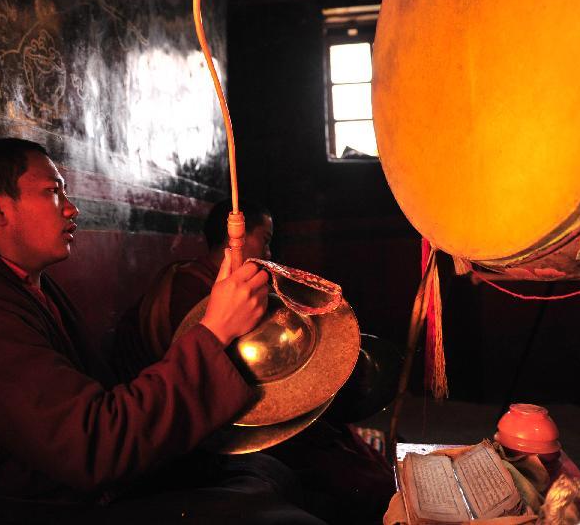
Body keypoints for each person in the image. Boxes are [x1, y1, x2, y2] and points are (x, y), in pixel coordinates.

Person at [0, 138, 326, 524]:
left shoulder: (26, 288)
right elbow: (93, 446)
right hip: (31, 509)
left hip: (79, 486)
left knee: (260, 472)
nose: (71, 207)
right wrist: (213, 330)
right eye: (52, 192)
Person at [113, 198, 397, 525]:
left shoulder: (222, 285)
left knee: (345, 443)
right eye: (265, 239)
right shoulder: (191, 290)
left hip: (239, 404)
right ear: (238, 236)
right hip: (216, 426)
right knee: (346, 471)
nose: (270, 252)